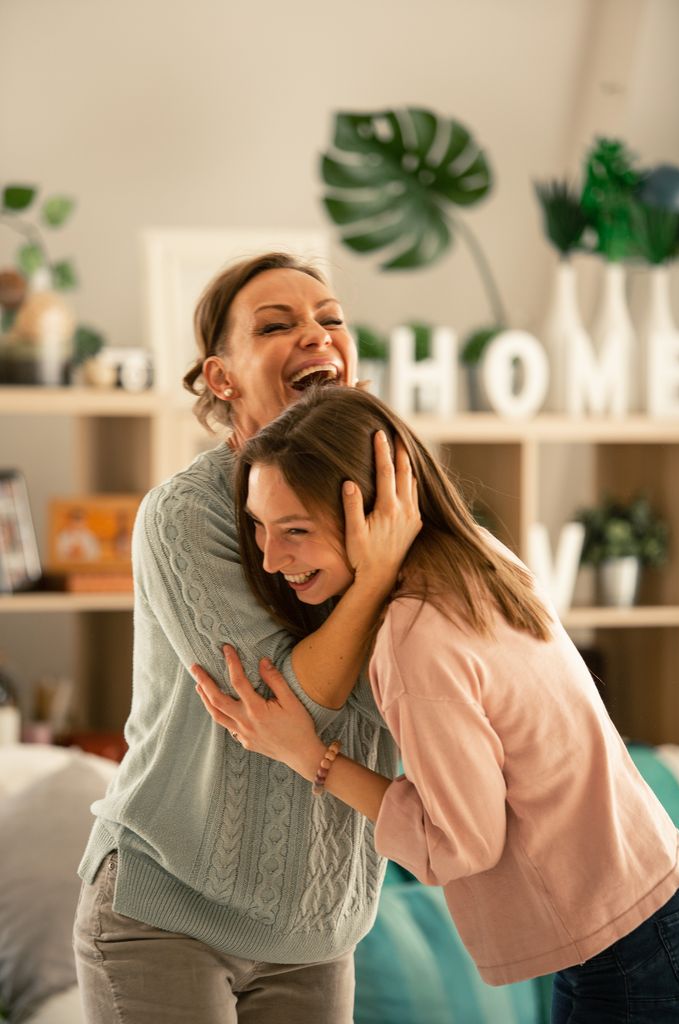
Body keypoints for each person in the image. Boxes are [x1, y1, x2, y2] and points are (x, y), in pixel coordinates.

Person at [193, 384, 679, 1024]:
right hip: (642, 910)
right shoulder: (478, 559)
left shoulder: (417, 635)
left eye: (295, 530)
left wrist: (308, 755)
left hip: (622, 951)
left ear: (372, 514)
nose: (268, 556)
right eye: (259, 526)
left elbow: (462, 843)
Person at [73, 253, 421, 1024]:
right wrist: (378, 574)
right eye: (276, 324)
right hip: (166, 912)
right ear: (221, 377)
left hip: (318, 927)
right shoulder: (183, 516)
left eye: (329, 318)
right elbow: (281, 698)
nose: (315, 334)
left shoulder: (392, 494)